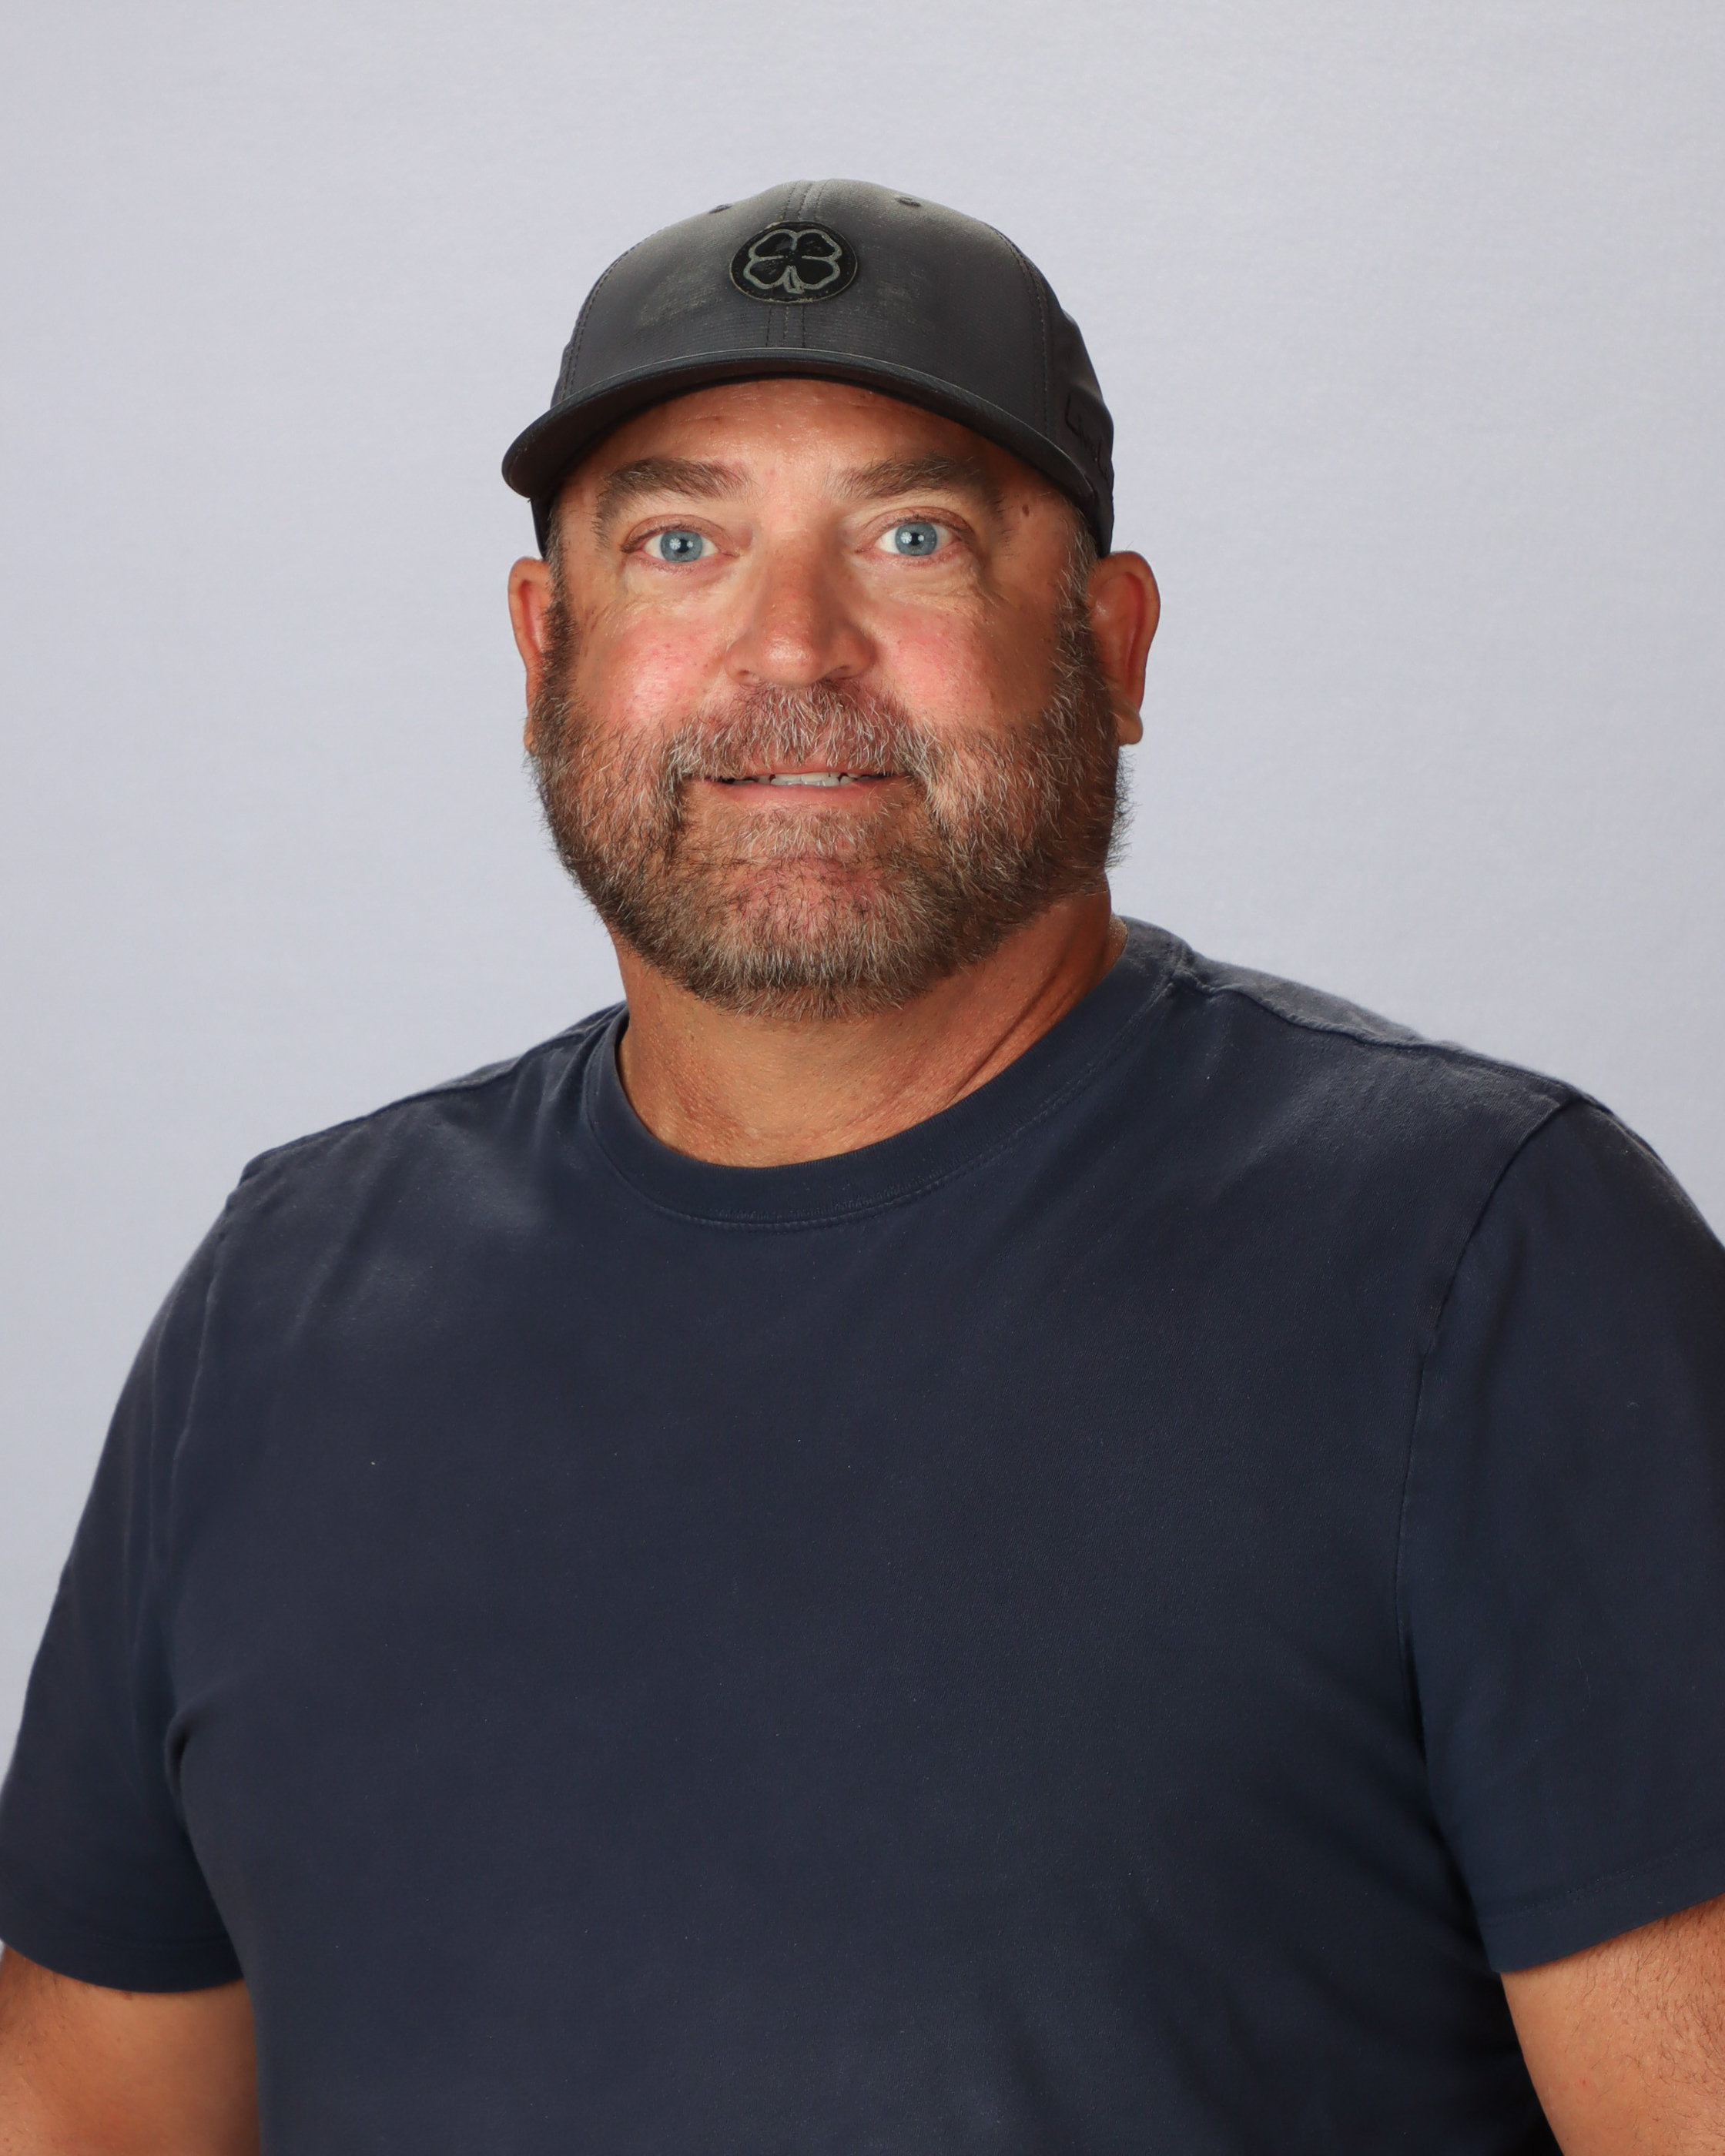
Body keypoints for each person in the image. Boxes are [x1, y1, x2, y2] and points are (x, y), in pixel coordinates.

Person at [1, 179, 1722, 2156]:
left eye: (914, 536)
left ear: (1110, 641)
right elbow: (86, 2110)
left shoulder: (1487, 1265)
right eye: (679, 542)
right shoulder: (284, 1300)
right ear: (546, 645)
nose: (790, 647)